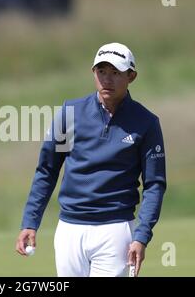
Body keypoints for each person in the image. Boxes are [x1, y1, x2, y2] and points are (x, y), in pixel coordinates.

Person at [15, 42, 166, 277]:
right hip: (69, 229)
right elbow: (47, 170)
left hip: (115, 230)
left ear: (131, 76)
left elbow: (154, 184)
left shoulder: (146, 122)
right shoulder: (70, 113)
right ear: (93, 73)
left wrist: (142, 236)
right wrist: (29, 223)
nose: (107, 79)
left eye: (115, 73)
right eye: (101, 71)